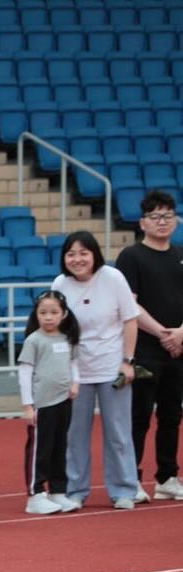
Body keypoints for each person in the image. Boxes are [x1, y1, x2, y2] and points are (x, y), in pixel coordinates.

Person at [50, 231, 141, 509]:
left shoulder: (113, 278)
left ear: (94, 255)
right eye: (71, 254)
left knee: (118, 432)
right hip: (76, 370)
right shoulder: (60, 283)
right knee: (74, 434)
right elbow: (55, 326)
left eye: (83, 253)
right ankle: (75, 490)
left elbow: (130, 320)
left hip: (112, 366)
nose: (77, 259)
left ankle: (124, 489)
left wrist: (128, 361)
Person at [114, 190, 183, 502]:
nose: (162, 221)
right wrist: (163, 334)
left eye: (168, 216)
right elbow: (129, 304)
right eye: (155, 216)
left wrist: (180, 334)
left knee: (172, 416)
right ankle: (131, 479)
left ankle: (167, 476)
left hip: (178, 349)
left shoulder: (180, 254)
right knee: (138, 417)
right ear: (143, 222)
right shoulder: (131, 257)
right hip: (144, 349)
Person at [18, 291, 81, 515]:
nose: (48, 317)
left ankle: (58, 491)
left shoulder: (67, 338)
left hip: (64, 401)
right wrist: (28, 405)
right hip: (42, 404)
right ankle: (35, 494)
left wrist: (76, 383)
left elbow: (73, 363)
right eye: (43, 312)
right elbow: (25, 373)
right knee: (40, 450)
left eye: (54, 312)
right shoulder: (34, 340)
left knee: (59, 447)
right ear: (36, 314)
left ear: (64, 314)